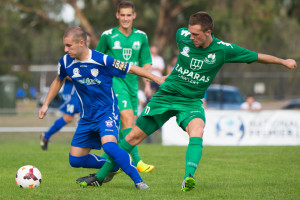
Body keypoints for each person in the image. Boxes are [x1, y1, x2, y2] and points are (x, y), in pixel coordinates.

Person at [78, 11, 297, 191]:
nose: (191, 37)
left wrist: (284, 61)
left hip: (191, 101)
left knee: (198, 130)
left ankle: (188, 178)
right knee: (133, 136)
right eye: (190, 33)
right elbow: (182, 33)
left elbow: (256, 56)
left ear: (208, 33)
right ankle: (101, 176)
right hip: (166, 96)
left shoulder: (223, 50)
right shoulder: (182, 34)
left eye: (196, 34)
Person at [38, 27, 164, 189]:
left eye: (69, 46)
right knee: (75, 160)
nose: (65, 49)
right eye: (65, 45)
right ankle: (115, 164)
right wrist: (46, 103)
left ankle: (138, 181)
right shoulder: (65, 61)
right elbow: (58, 80)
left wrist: (156, 78)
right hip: (86, 117)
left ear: (81, 43)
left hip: (107, 113)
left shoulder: (102, 60)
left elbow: (131, 68)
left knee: (110, 146)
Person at [95, 1, 154, 173]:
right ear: (117, 15)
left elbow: (146, 62)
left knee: (128, 126)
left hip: (132, 84)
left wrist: (147, 82)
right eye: (123, 15)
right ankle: (137, 162)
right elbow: (97, 59)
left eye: (129, 15)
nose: (126, 18)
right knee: (128, 119)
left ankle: (107, 162)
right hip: (115, 82)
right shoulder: (107, 36)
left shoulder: (142, 36)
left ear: (134, 16)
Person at [40, 34, 92, 150]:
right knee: (68, 118)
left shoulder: (90, 57)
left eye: (88, 41)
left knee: (83, 116)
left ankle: (83, 143)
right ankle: (46, 136)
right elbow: (63, 76)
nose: (86, 43)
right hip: (72, 93)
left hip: (84, 94)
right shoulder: (69, 57)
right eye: (85, 40)